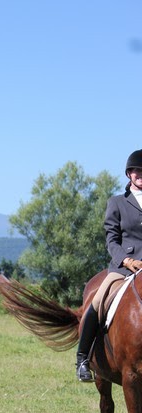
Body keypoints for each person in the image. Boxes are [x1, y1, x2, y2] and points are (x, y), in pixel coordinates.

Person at [76, 149, 142, 382]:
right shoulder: (117, 203)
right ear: (129, 174)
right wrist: (125, 259)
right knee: (97, 301)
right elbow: (112, 239)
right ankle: (82, 359)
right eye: (136, 171)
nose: (140, 174)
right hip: (124, 268)